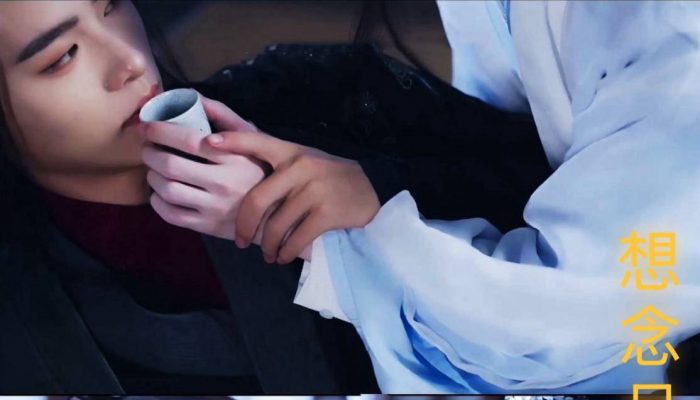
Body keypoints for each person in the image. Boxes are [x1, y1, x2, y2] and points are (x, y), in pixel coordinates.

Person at [0, 0, 552, 394]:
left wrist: (374, 193)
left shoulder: (316, 98)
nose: (130, 62)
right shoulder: (24, 321)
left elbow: (556, 206)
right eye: (63, 57)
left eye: (112, 6)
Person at [167, 0, 700, 395]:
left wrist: (355, 231)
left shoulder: (663, 30)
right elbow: (510, 147)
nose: (128, 64)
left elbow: (591, 311)